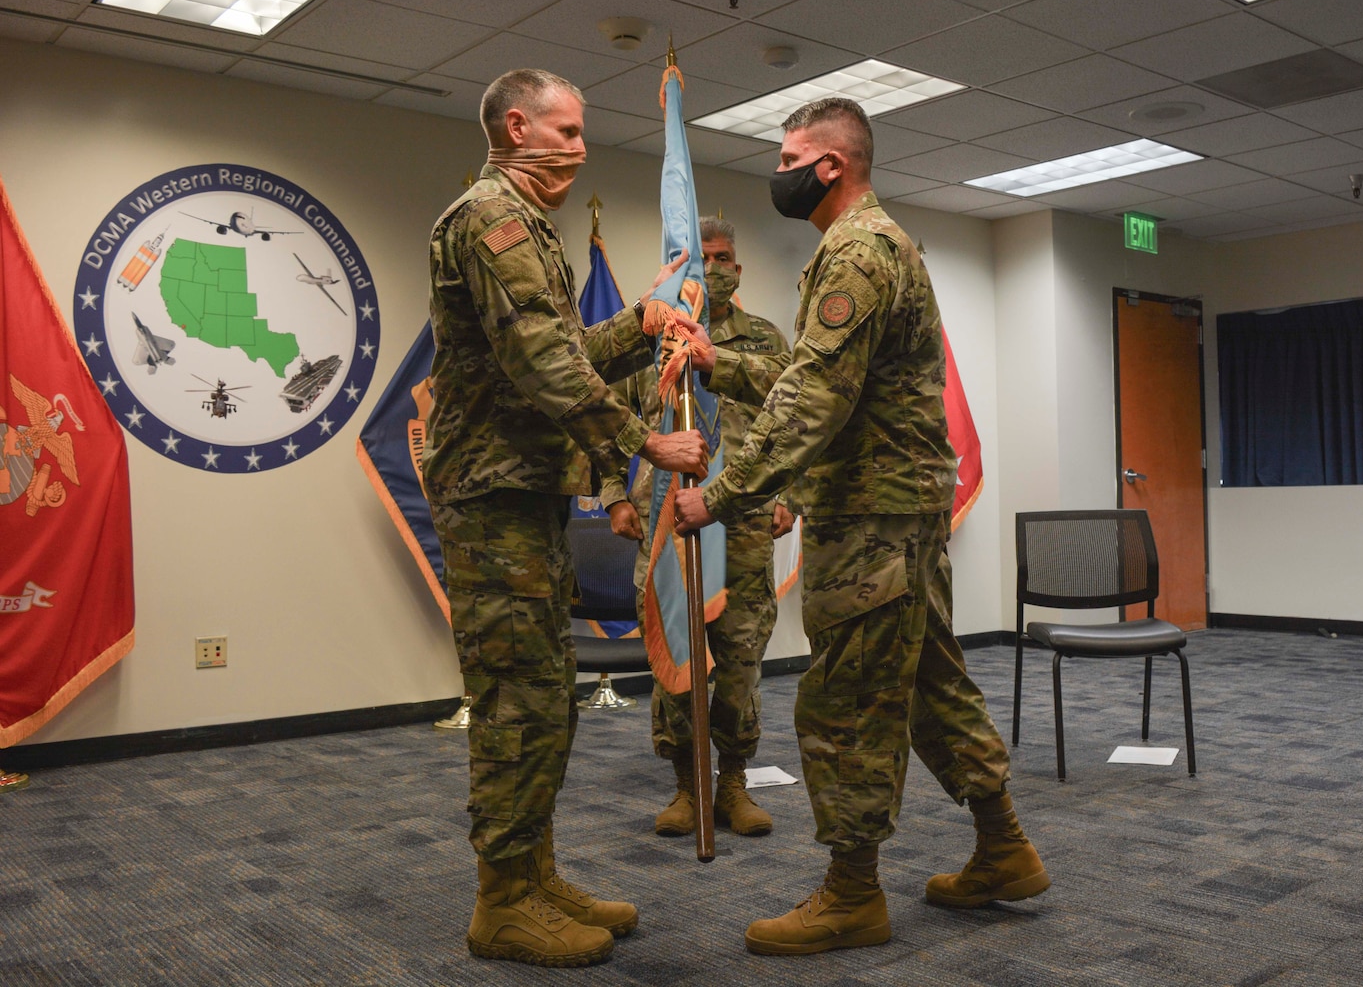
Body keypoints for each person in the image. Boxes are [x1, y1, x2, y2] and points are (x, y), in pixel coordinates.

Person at [673, 97, 1048, 955]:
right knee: (930, 684)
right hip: (893, 510)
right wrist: (721, 366)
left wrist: (721, 494)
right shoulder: (869, 248)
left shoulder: (858, 253)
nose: (779, 173)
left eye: (788, 157)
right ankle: (1004, 848)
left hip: (875, 520)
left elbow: (813, 398)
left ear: (831, 166)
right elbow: (822, 385)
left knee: (843, 700)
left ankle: (852, 895)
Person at [423, 68, 708, 969]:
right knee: (516, 701)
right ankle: (501, 901)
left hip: (525, 496)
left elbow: (564, 347)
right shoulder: (490, 220)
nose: (583, 148)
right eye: (570, 130)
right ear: (518, 124)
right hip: (493, 498)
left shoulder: (528, 227)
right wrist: (642, 442)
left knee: (546, 699)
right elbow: (544, 360)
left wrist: (637, 322)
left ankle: (532, 874)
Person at [600, 216, 793, 839]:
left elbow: (797, 421)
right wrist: (612, 497)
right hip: (668, 525)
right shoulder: (652, 341)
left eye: (725, 256)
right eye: (703, 257)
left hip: (742, 522)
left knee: (738, 658)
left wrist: (791, 495)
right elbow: (601, 414)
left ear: (739, 267)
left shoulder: (762, 339)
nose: (715, 266)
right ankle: (686, 787)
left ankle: (733, 783)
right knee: (678, 655)